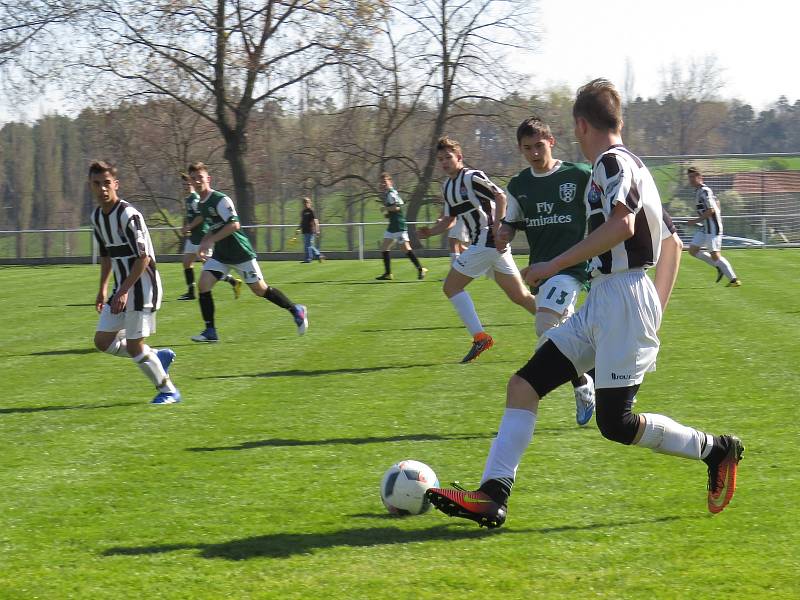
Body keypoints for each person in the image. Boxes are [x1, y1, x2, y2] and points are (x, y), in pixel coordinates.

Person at [425, 79, 744, 528]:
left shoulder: (612, 163)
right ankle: (493, 494)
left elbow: (623, 226)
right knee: (523, 385)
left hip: (623, 298)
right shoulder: (629, 166)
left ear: (579, 124)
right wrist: (656, 308)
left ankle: (717, 449)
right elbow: (671, 242)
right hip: (611, 300)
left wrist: (557, 264)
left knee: (616, 423)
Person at [497, 116, 595, 426]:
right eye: (527, 148)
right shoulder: (519, 185)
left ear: (551, 142)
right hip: (543, 270)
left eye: (539, 146)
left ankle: (564, 380)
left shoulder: (578, 175)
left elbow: (605, 206)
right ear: (520, 149)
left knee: (545, 322)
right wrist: (502, 235)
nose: (534, 153)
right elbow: (510, 222)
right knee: (556, 330)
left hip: (574, 266)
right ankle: (585, 378)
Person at [418, 136, 537, 363]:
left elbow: (500, 195)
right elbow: (449, 221)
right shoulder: (447, 187)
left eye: (448, 158)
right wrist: (430, 232)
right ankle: (563, 325)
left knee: (450, 287)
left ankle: (480, 337)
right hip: (486, 244)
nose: (444, 162)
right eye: (441, 159)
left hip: (487, 240)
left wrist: (498, 225)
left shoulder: (472, 177)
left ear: (459, 158)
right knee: (520, 296)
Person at [89, 160, 181, 405]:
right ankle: (154, 356)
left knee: (133, 345)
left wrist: (123, 290)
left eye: (107, 183)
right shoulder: (97, 217)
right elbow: (107, 255)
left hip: (143, 288)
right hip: (122, 288)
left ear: (116, 184)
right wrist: (103, 289)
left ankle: (169, 391)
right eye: (97, 184)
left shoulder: (128, 215)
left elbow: (144, 258)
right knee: (102, 341)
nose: (102, 189)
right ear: (91, 186)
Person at [186, 162, 308, 342]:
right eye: (194, 179)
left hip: (240, 252)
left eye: (200, 178)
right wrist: (204, 243)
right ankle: (210, 331)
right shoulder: (202, 203)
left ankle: (296, 310)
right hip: (222, 254)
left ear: (208, 179)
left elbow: (234, 225)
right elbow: (214, 227)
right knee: (203, 285)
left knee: (260, 290)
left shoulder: (220, 199)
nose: (197, 182)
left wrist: (211, 240)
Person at [177, 173, 242, 300]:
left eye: (188, 184)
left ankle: (233, 282)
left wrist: (189, 227)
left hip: (201, 237)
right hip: (193, 238)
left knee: (210, 268)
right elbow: (190, 216)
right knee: (186, 262)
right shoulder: (189, 199)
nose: (185, 187)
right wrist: (185, 226)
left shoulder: (195, 199)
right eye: (183, 185)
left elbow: (201, 217)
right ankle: (191, 291)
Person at [686, 167, 740, 287]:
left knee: (715, 254)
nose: (691, 179)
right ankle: (718, 266)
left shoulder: (705, 190)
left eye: (694, 176)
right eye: (689, 177)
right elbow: (716, 203)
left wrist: (695, 221)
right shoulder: (698, 191)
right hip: (705, 227)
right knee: (693, 250)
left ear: (700, 178)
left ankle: (734, 280)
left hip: (713, 228)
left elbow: (710, 210)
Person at [375, 172, 427, 281]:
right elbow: (394, 209)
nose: (383, 184)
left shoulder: (391, 193)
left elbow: (397, 208)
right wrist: (388, 214)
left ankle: (421, 268)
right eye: (381, 182)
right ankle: (388, 273)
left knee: (405, 248)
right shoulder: (389, 193)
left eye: (385, 182)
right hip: (392, 226)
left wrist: (385, 209)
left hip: (398, 226)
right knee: (384, 248)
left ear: (390, 182)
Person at [298, 196, 325, 263]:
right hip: (304, 231)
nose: (305, 204)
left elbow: (316, 221)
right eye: (304, 203)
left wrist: (317, 230)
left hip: (310, 231)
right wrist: (298, 228)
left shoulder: (311, 211)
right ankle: (319, 255)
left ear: (309, 203)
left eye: (306, 202)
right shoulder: (303, 212)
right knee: (308, 245)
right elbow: (302, 221)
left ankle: (308, 259)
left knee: (308, 245)